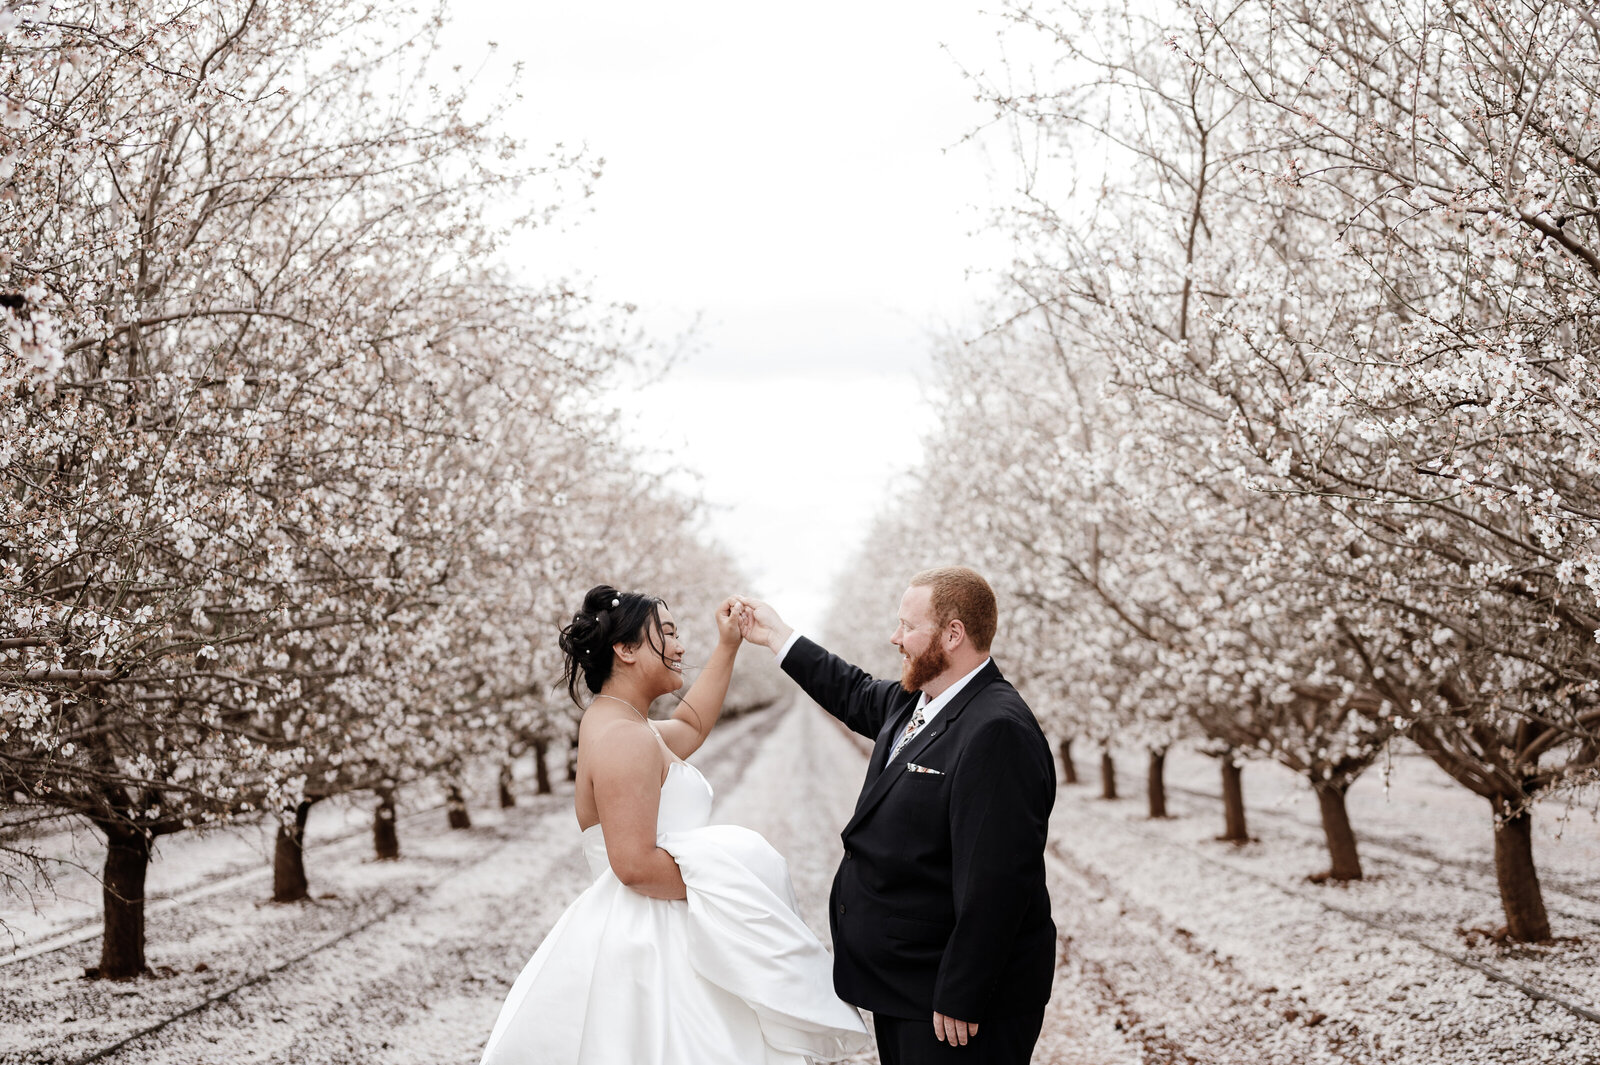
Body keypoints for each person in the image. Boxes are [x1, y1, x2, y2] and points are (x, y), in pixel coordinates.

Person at [479, 585, 869, 1065]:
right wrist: (735, 883)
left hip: (661, 927)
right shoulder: (624, 738)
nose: (680, 646)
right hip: (654, 948)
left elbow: (689, 727)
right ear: (624, 650)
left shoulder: (625, 725)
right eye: (666, 633)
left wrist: (728, 645)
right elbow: (635, 866)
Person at [736, 567, 1056, 1064]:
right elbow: (849, 689)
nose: (894, 638)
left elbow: (999, 879)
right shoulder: (917, 701)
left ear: (953, 635)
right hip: (906, 986)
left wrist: (962, 992)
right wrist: (776, 635)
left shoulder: (996, 730)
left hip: (953, 1007)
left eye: (907, 626)